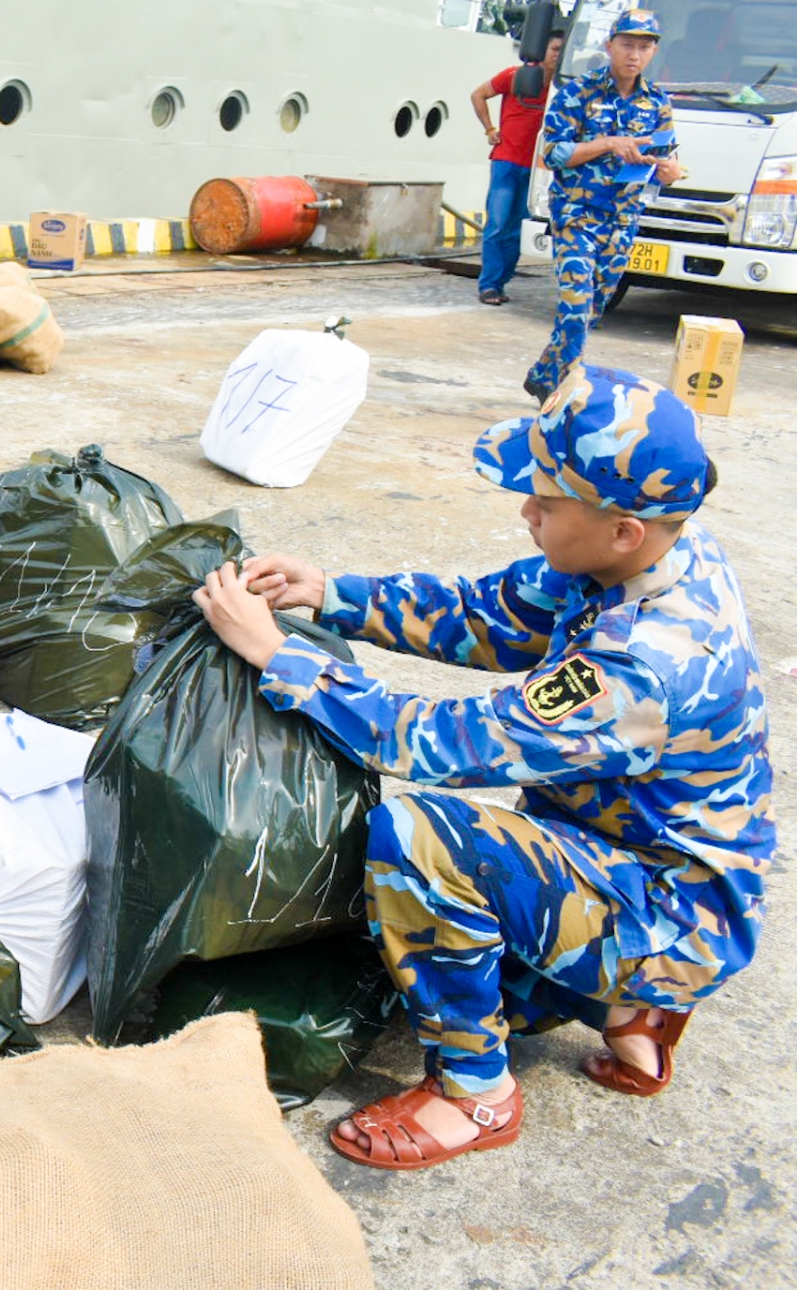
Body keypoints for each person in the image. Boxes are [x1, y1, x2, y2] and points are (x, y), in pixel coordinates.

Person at [191, 366, 774, 1171]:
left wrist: (278, 654)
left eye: (548, 501)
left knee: (422, 838)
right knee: (437, 967)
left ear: (622, 529)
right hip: (644, 865)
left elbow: (438, 742)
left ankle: (478, 1094)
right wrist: (331, 594)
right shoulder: (651, 550)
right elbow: (491, 612)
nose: (527, 511)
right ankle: (629, 1013)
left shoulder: (648, 663)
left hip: (668, 909)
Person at [524, 9, 684, 401]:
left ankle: (543, 374)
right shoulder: (579, 92)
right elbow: (554, 152)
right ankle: (562, 393)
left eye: (644, 47)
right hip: (577, 216)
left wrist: (669, 170)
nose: (634, 54)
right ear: (609, 45)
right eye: (627, 44)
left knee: (592, 311)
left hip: (623, 220)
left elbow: (667, 153)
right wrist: (609, 143)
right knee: (575, 307)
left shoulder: (657, 102)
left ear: (653, 52)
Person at [470, 28, 565, 305]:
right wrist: (490, 129)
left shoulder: (561, 89)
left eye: (562, 51)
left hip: (535, 167)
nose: (558, 56)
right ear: (541, 50)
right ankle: (488, 284)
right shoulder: (514, 76)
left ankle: (500, 282)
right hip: (506, 160)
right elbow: (478, 94)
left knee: (517, 228)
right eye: (554, 49)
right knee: (498, 223)